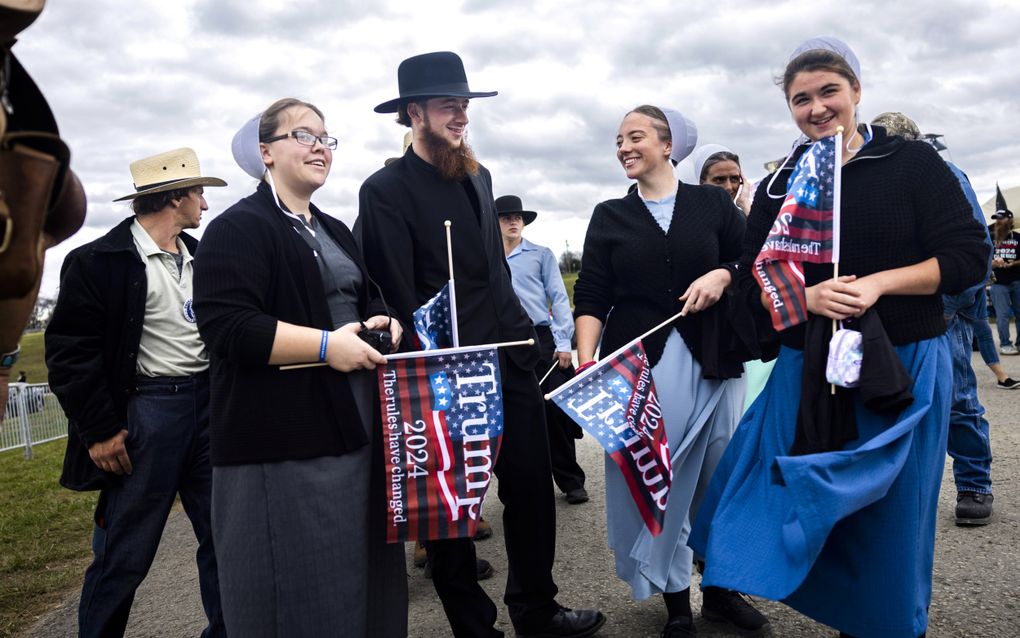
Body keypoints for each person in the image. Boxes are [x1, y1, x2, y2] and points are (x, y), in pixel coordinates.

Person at [689, 37, 989, 638]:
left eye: (829, 91)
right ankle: (741, 593)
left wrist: (880, 284)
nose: (816, 107)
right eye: (801, 99)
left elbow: (967, 258)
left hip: (902, 362)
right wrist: (805, 298)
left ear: (856, 92)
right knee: (764, 491)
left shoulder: (911, 163)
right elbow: (755, 277)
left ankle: (885, 623)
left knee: (891, 515)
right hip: (810, 364)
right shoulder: (780, 185)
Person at [356, 51, 605, 638]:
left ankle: (537, 610)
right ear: (413, 112)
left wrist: (536, 343)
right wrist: (418, 356)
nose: (460, 115)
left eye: (464, 105)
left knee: (530, 491)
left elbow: (493, 273)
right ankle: (474, 627)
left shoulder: (478, 175)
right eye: (448, 105)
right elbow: (388, 291)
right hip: (442, 372)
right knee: (450, 511)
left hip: (510, 357)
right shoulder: (384, 190)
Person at [193, 98, 407, 637]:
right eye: (303, 135)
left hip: (356, 416)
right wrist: (324, 347)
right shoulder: (238, 228)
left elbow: (360, 298)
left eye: (325, 137)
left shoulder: (333, 227)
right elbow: (227, 328)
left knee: (363, 572)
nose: (319, 146)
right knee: (302, 580)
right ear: (265, 153)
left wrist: (381, 319)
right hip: (284, 434)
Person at [573, 105, 769, 638]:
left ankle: (724, 592)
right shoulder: (608, 215)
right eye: (618, 140)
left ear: (667, 146)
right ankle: (677, 601)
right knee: (661, 478)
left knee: (718, 474)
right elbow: (591, 293)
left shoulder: (711, 202)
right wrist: (589, 360)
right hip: (641, 368)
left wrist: (722, 275)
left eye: (634, 137)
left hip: (713, 356)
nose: (623, 147)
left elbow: (751, 259)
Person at [44, 147, 227, 638]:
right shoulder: (98, 261)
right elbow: (70, 355)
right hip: (149, 411)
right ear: (176, 198)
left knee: (226, 540)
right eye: (199, 194)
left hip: (210, 408)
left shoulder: (204, 257)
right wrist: (99, 431)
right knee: (124, 551)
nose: (205, 206)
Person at [872, 110, 997, 526]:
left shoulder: (942, 173)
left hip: (940, 302)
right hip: (899, 304)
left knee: (957, 396)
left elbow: (973, 247)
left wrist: (949, 302)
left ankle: (975, 484)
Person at [497, 194, 588, 505]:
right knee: (512, 414)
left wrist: (564, 343)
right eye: (506, 216)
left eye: (518, 217)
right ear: (495, 222)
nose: (513, 221)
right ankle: (521, 484)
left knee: (554, 409)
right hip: (503, 341)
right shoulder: (488, 257)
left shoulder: (541, 254)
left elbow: (559, 299)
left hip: (540, 338)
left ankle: (571, 480)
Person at [989, 202, 1020, 354]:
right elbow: (983, 258)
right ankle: (1005, 345)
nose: (998, 221)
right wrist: (992, 263)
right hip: (998, 283)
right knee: (1002, 315)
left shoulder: (1018, 238)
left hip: (1017, 280)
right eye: (996, 218)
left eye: (1001, 218)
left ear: (1010, 219)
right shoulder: (990, 238)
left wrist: (1013, 263)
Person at [691, 144, 752, 216]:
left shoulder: (744, 216)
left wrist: (744, 202)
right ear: (702, 182)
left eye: (734, 179)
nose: (729, 187)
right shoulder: (688, 218)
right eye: (720, 180)